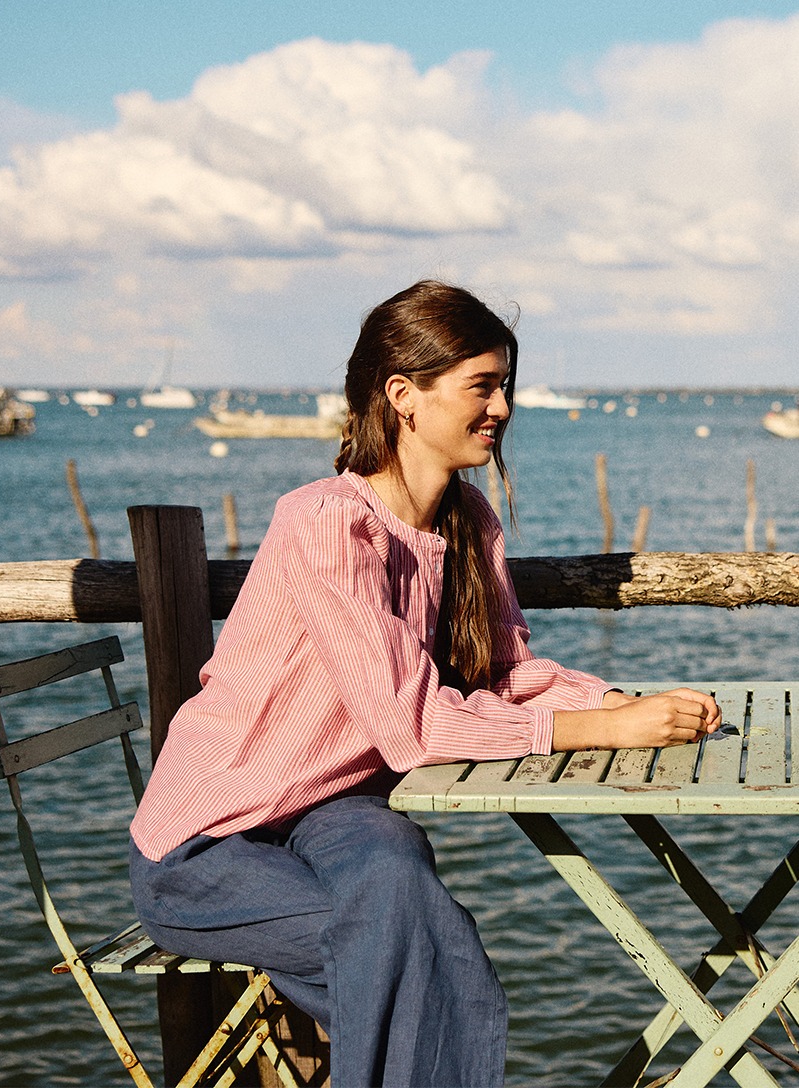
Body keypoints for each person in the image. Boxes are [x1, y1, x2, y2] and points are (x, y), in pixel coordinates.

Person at [129, 280, 722, 1087]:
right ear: (403, 396)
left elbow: (508, 673)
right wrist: (600, 732)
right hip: (209, 839)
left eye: (503, 384)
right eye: (481, 386)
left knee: (397, 886)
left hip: (335, 806)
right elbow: (415, 729)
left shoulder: (468, 523)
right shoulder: (327, 523)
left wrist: (614, 703)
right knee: (418, 948)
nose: (503, 407)